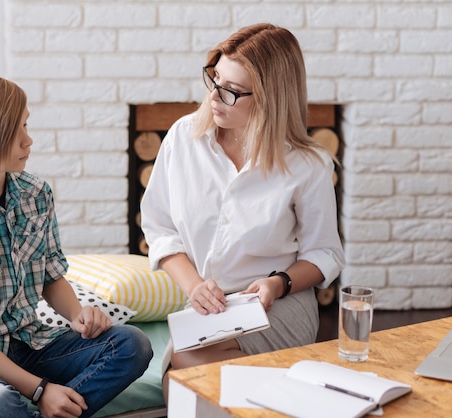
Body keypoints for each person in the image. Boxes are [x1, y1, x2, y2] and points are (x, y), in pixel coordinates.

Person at [0, 72, 152, 418]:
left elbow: (50, 276)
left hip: (26, 338)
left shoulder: (36, 195)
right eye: (15, 131)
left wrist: (78, 315)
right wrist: (39, 390)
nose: (28, 140)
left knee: (132, 344)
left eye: (25, 125)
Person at [140, 23, 345, 398]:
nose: (215, 97)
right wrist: (194, 286)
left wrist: (277, 283)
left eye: (232, 91)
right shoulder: (183, 139)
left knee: (185, 379)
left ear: (271, 97)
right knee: (185, 381)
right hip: (209, 308)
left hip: (276, 305)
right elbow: (160, 228)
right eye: (214, 78)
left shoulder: (307, 163)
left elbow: (324, 255)